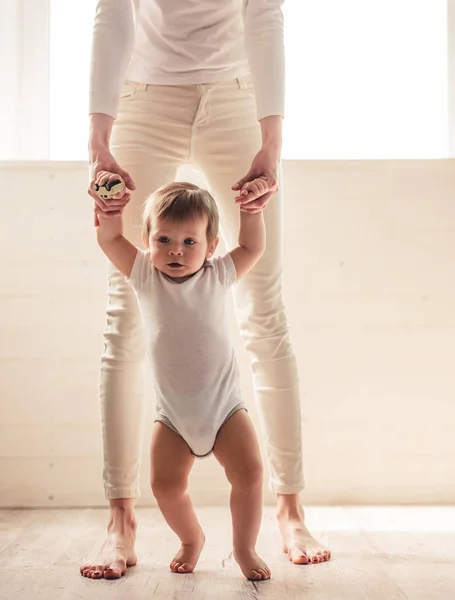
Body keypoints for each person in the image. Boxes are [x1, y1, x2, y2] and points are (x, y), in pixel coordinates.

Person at [82, 0, 331, 580]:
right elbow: (112, 10)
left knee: (264, 309)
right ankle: (120, 517)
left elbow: (264, 14)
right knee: (124, 318)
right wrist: (98, 136)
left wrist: (272, 140)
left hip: (235, 94)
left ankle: (290, 507)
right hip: (142, 93)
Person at [91, 176, 271, 580]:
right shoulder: (144, 276)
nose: (176, 250)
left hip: (226, 410)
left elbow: (253, 247)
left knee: (251, 474)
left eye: (190, 242)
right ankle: (192, 538)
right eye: (164, 240)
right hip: (172, 418)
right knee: (165, 486)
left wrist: (251, 211)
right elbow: (109, 241)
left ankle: (244, 548)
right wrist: (109, 211)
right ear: (148, 241)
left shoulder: (219, 274)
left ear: (211, 246)